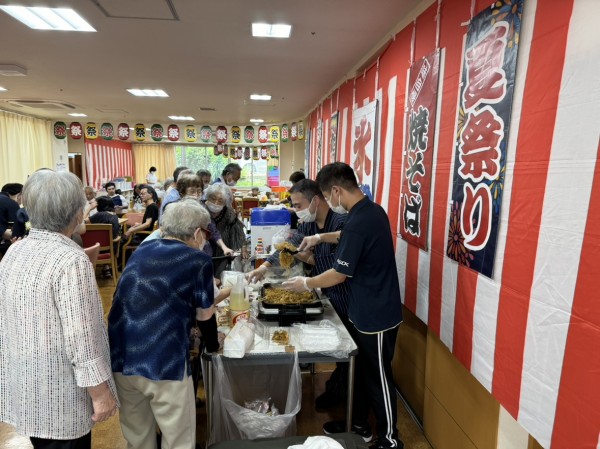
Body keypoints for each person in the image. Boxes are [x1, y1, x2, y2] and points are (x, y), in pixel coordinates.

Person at [282, 162, 403, 449]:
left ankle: (390, 440)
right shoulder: (367, 211)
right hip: (363, 308)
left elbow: (338, 273)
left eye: (327, 195)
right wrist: (319, 237)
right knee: (362, 373)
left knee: (378, 378)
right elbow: (344, 236)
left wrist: (307, 283)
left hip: (377, 314)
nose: (329, 201)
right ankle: (360, 426)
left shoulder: (360, 220)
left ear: (335, 190)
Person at [0, 169, 118, 449]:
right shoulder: (71, 260)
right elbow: (82, 338)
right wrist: (100, 393)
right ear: (76, 212)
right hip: (61, 391)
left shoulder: (16, 250)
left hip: (26, 380)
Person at [108, 199, 219, 449]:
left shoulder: (142, 250)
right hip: (164, 358)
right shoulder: (197, 259)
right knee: (178, 438)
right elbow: (205, 316)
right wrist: (213, 346)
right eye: (207, 233)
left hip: (121, 354)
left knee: (138, 438)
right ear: (198, 232)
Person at [247, 179, 350, 408]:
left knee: (346, 348)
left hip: (346, 293)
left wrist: (307, 280)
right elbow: (289, 246)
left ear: (315, 201)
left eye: (298, 205)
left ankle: (344, 397)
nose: (296, 210)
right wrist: (264, 267)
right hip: (324, 289)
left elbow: (340, 269)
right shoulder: (307, 225)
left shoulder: (340, 223)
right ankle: (338, 389)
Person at [203, 183, 245, 277]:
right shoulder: (201, 209)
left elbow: (238, 229)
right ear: (208, 197)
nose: (216, 203)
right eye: (213, 199)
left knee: (219, 274)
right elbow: (213, 231)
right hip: (203, 246)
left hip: (222, 248)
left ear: (225, 202)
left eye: (220, 201)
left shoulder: (227, 212)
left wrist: (243, 247)